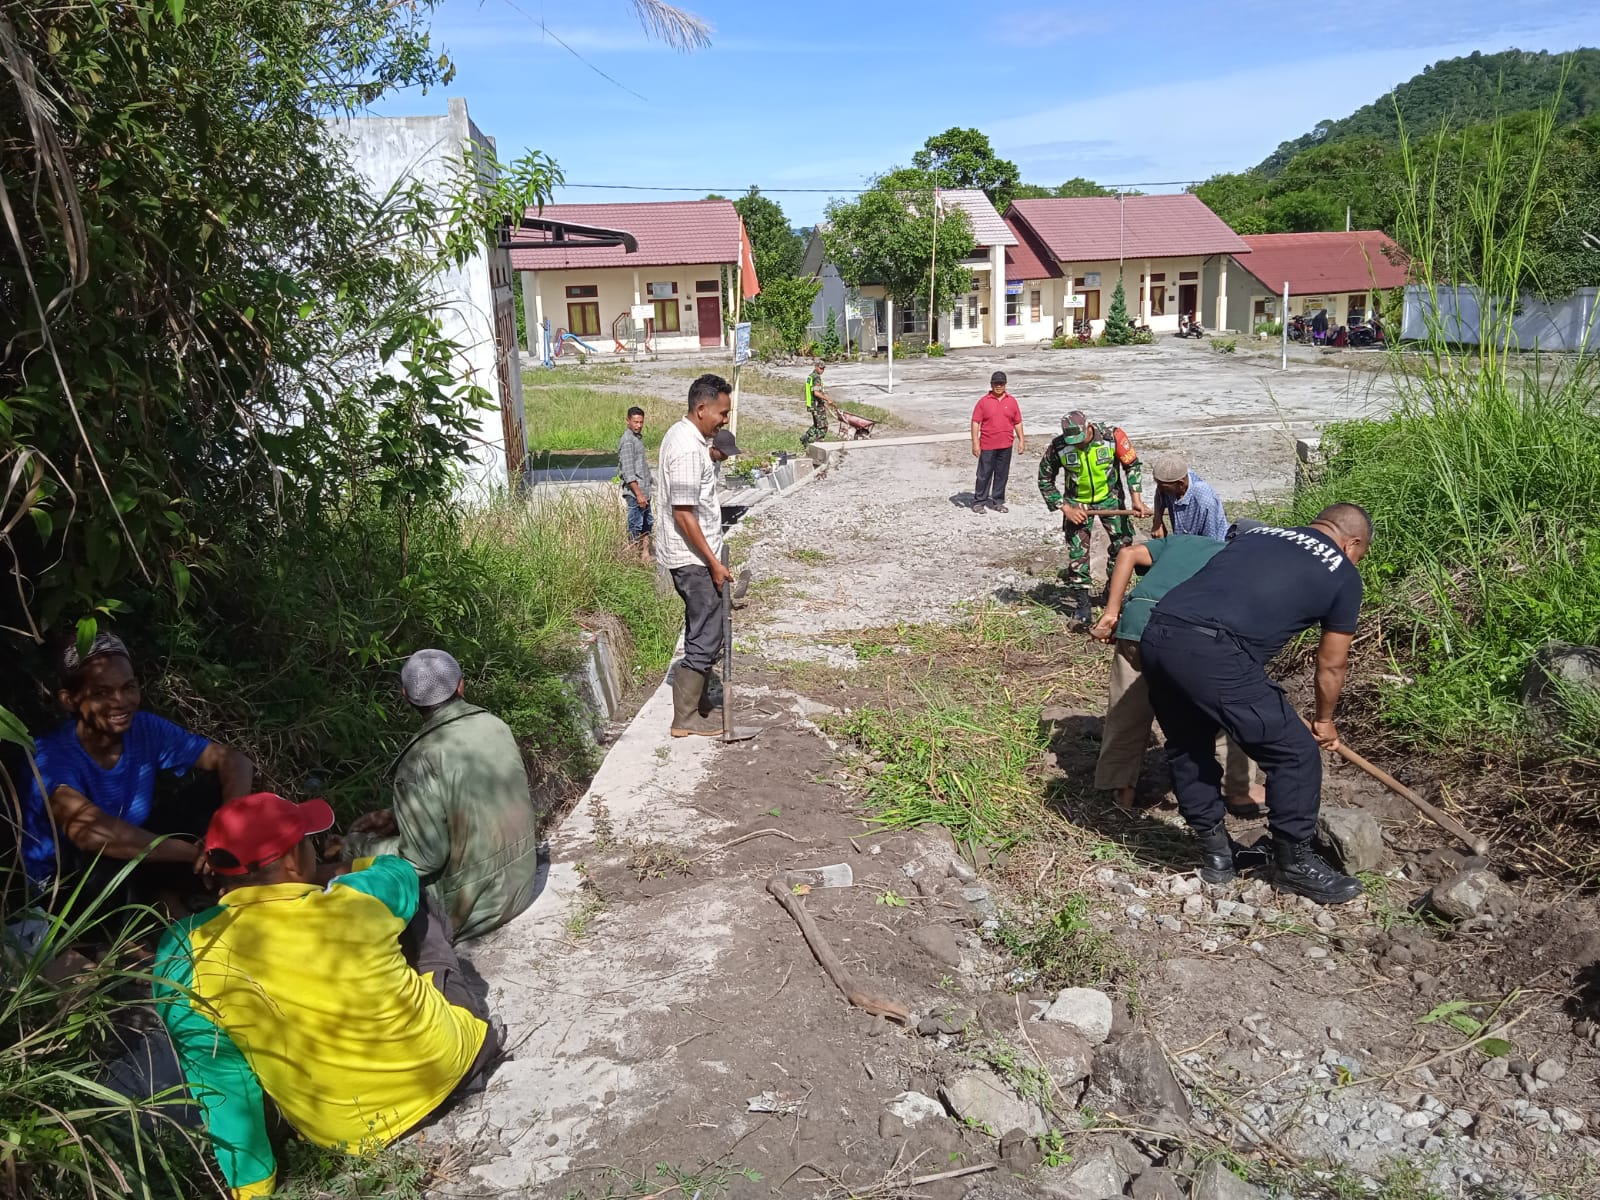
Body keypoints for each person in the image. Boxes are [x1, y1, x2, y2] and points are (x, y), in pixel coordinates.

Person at [156, 792, 496, 1200]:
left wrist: (252, 1190)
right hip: (454, 1064)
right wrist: (333, 871)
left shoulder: (183, 952)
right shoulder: (356, 898)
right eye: (308, 843)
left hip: (350, 1132)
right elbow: (399, 869)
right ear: (291, 862)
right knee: (413, 902)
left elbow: (218, 1078)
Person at [1139, 504, 1375, 905]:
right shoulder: (1342, 572)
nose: (1354, 560)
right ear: (1352, 543)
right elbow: (1332, 662)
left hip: (1160, 632)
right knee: (1294, 752)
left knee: (1188, 744)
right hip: (1214, 649)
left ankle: (1217, 856)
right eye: (1359, 554)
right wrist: (1324, 720)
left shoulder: (1257, 535)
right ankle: (1294, 864)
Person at [21, 632, 254, 894]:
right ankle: (166, 907)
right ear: (70, 700)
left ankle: (207, 890)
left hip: (128, 853)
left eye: (128, 687)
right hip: (64, 881)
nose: (121, 702)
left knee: (215, 793)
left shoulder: (144, 728)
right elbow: (88, 831)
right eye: (102, 692)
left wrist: (225, 828)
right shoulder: (50, 755)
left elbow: (235, 761)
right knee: (106, 859)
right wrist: (195, 854)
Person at [346, 650, 542, 942]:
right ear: (461, 686)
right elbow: (467, 800)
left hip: (475, 911)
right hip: (521, 886)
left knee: (355, 857)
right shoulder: (495, 725)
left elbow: (423, 860)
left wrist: (357, 846)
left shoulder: (419, 759)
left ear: (405, 696)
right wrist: (399, 817)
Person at [1090, 524, 1267, 815]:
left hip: (1135, 625)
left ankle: (1122, 790)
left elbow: (1128, 553)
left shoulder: (1184, 542)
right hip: (1183, 636)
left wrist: (1111, 613)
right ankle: (1238, 790)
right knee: (1228, 709)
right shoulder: (1242, 564)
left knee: (1126, 711)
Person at [658, 374, 735, 737]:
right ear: (701, 408)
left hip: (694, 556)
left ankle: (698, 703)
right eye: (722, 413)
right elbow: (684, 514)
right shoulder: (688, 449)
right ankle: (684, 717)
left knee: (702, 627)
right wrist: (715, 563)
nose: (725, 421)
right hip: (692, 559)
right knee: (707, 631)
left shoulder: (686, 437)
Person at [1037, 410, 1151, 624]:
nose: (1078, 445)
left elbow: (1132, 465)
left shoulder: (1112, 437)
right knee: (1078, 554)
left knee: (1123, 547)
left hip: (1111, 500)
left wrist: (1136, 498)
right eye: (1073, 442)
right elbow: (1044, 479)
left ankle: (1111, 594)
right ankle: (1082, 606)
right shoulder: (1059, 446)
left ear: (1088, 427)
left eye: (1081, 440)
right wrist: (1065, 507)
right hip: (1077, 504)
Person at [970, 371, 1025, 514]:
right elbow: (976, 422)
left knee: (1002, 474)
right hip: (987, 445)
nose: (998, 386)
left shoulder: (1012, 401)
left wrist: (1021, 441)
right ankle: (979, 501)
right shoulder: (983, 402)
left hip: (1006, 445)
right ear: (991, 384)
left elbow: (1017, 422)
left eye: (1001, 383)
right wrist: (975, 443)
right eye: (996, 383)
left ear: (1005, 385)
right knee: (984, 474)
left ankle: (998, 501)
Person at [1150, 452, 1228, 542]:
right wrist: (1157, 521)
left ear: (1180, 483)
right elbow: (1159, 494)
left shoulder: (1204, 500)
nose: (1160, 489)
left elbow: (1212, 542)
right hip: (1185, 542)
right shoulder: (1170, 484)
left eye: (1163, 487)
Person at [617, 405, 652, 563]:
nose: (638, 425)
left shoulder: (636, 439)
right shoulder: (628, 442)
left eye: (641, 422)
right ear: (628, 421)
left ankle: (645, 555)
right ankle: (630, 559)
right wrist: (638, 494)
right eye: (635, 422)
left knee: (647, 524)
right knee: (635, 526)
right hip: (635, 494)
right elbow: (628, 473)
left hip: (644, 492)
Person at [801, 360, 833, 447]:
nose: (822, 370)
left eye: (823, 368)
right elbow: (816, 393)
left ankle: (805, 437)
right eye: (820, 368)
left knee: (816, 424)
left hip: (811, 404)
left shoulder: (810, 376)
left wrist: (824, 400)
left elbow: (817, 391)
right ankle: (819, 444)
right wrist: (827, 399)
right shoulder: (816, 378)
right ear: (816, 367)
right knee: (823, 426)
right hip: (816, 405)